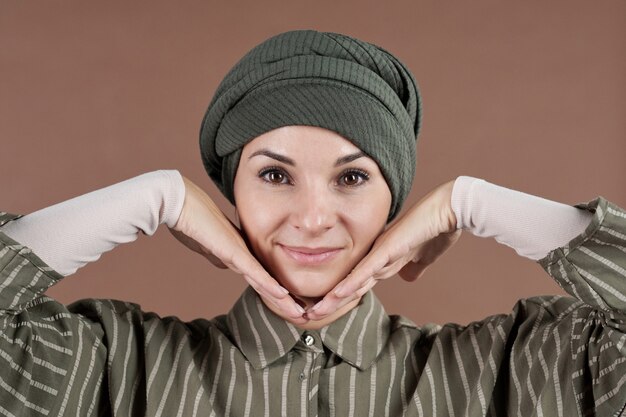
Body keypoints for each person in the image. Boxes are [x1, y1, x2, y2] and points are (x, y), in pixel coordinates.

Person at [0, 29, 624, 416]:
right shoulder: (117, 363)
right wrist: (150, 197)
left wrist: (475, 201)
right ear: (232, 194)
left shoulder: (515, 365)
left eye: (353, 177)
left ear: (394, 203)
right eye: (274, 175)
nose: (313, 218)